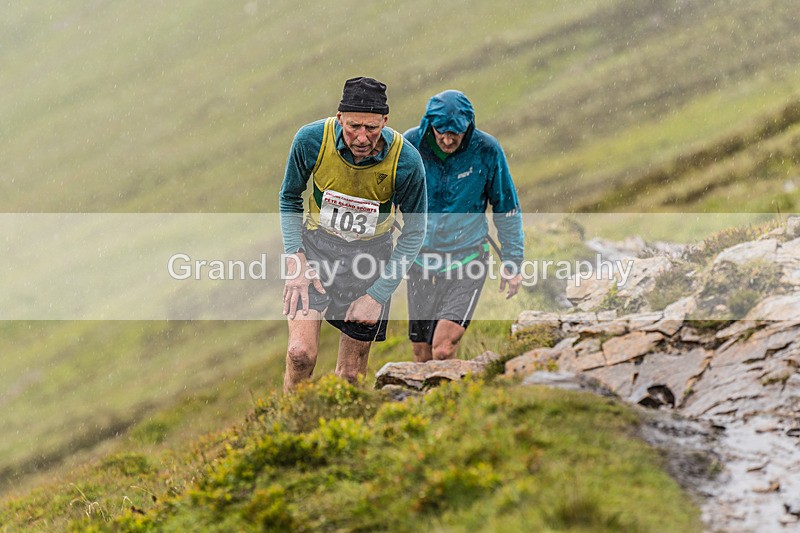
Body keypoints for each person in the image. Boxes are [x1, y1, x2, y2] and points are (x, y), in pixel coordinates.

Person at [279, 76, 427, 391]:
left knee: (349, 376)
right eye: (353, 126)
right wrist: (295, 260)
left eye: (371, 128)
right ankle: (290, 425)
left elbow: (414, 232)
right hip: (316, 250)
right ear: (339, 118)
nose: (361, 137)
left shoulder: (407, 161)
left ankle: (342, 431)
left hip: (371, 259)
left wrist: (378, 295)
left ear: (385, 121)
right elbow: (289, 198)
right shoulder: (310, 140)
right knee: (300, 354)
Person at [403, 89, 524, 362]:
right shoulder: (409, 145)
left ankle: (452, 398)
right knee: (422, 354)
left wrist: (512, 260)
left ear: (469, 125)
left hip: (467, 261)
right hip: (420, 262)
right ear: (429, 124)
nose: (447, 140)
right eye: (441, 132)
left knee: (443, 348)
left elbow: (507, 208)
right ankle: (437, 402)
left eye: (455, 133)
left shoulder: (487, 150)